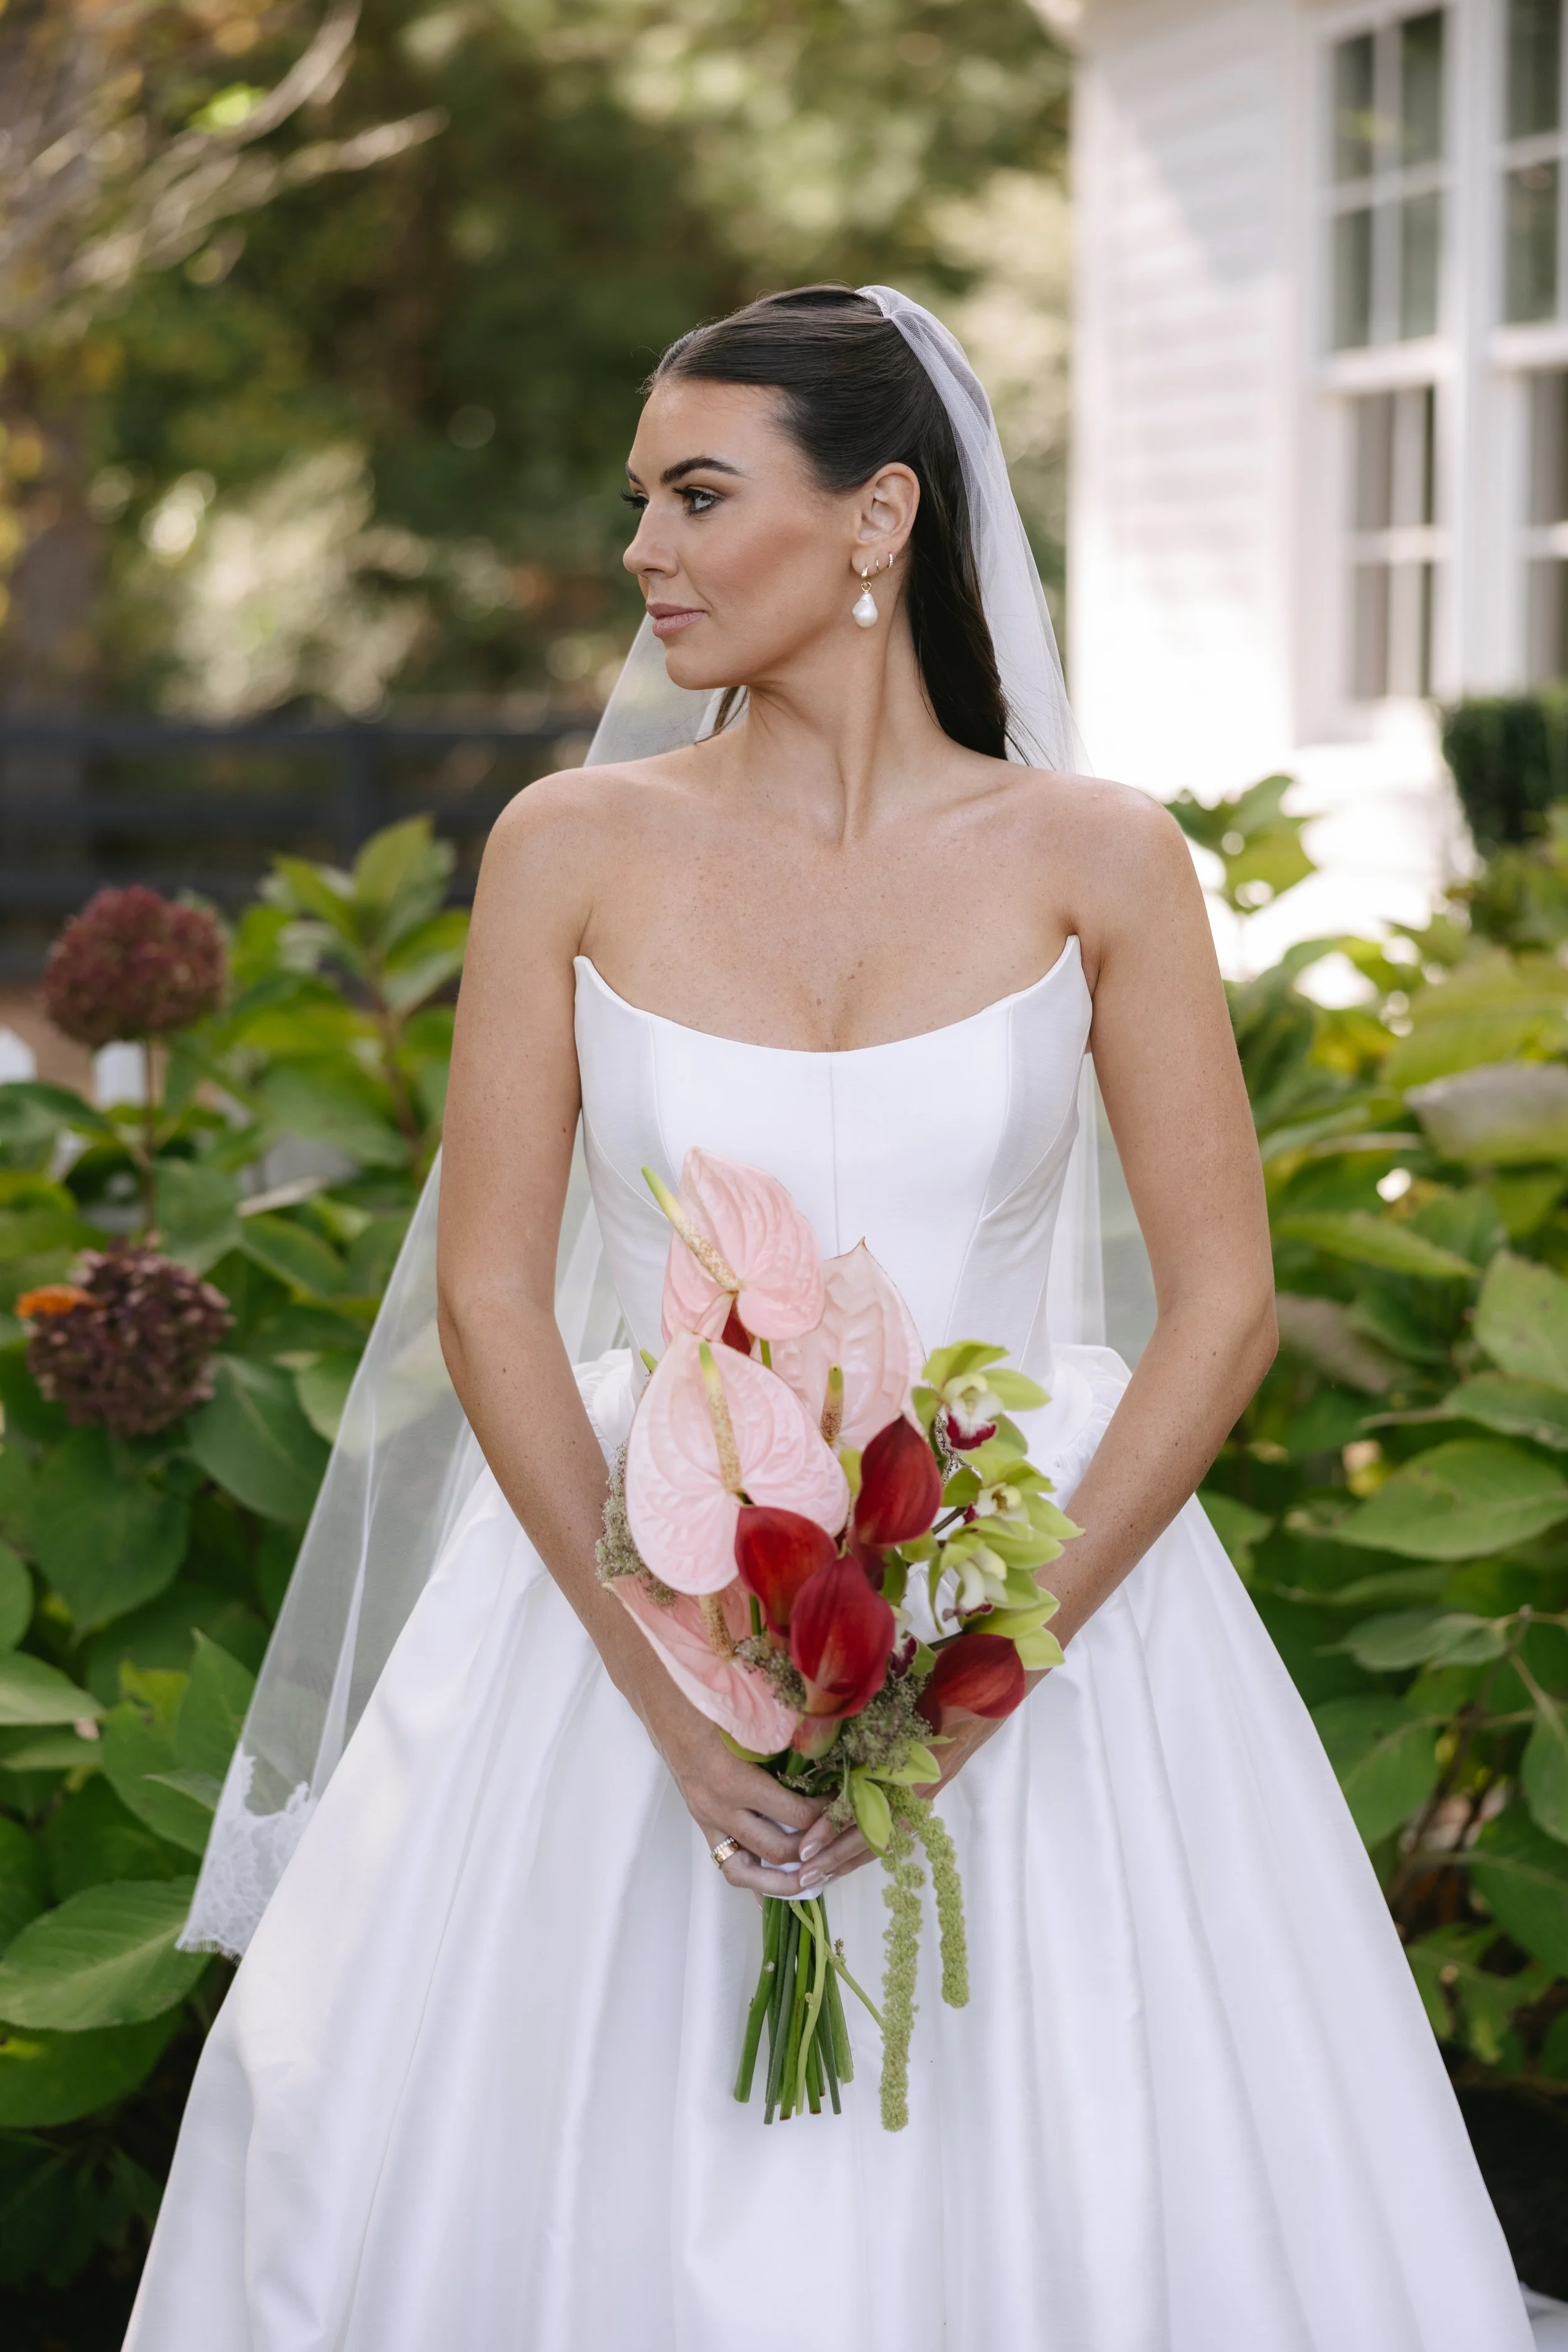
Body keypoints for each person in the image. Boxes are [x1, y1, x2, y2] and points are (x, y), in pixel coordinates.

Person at [124, 287, 1535, 2352]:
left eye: (698, 496)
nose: (643, 554)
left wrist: (972, 1677)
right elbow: (493, 1289)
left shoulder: (1101, 861)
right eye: (638, 500)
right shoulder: (570, 847)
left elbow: (1221, 1301)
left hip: (1034, 1605)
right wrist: (670, 1698)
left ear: (878, 517)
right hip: (621, 1609)